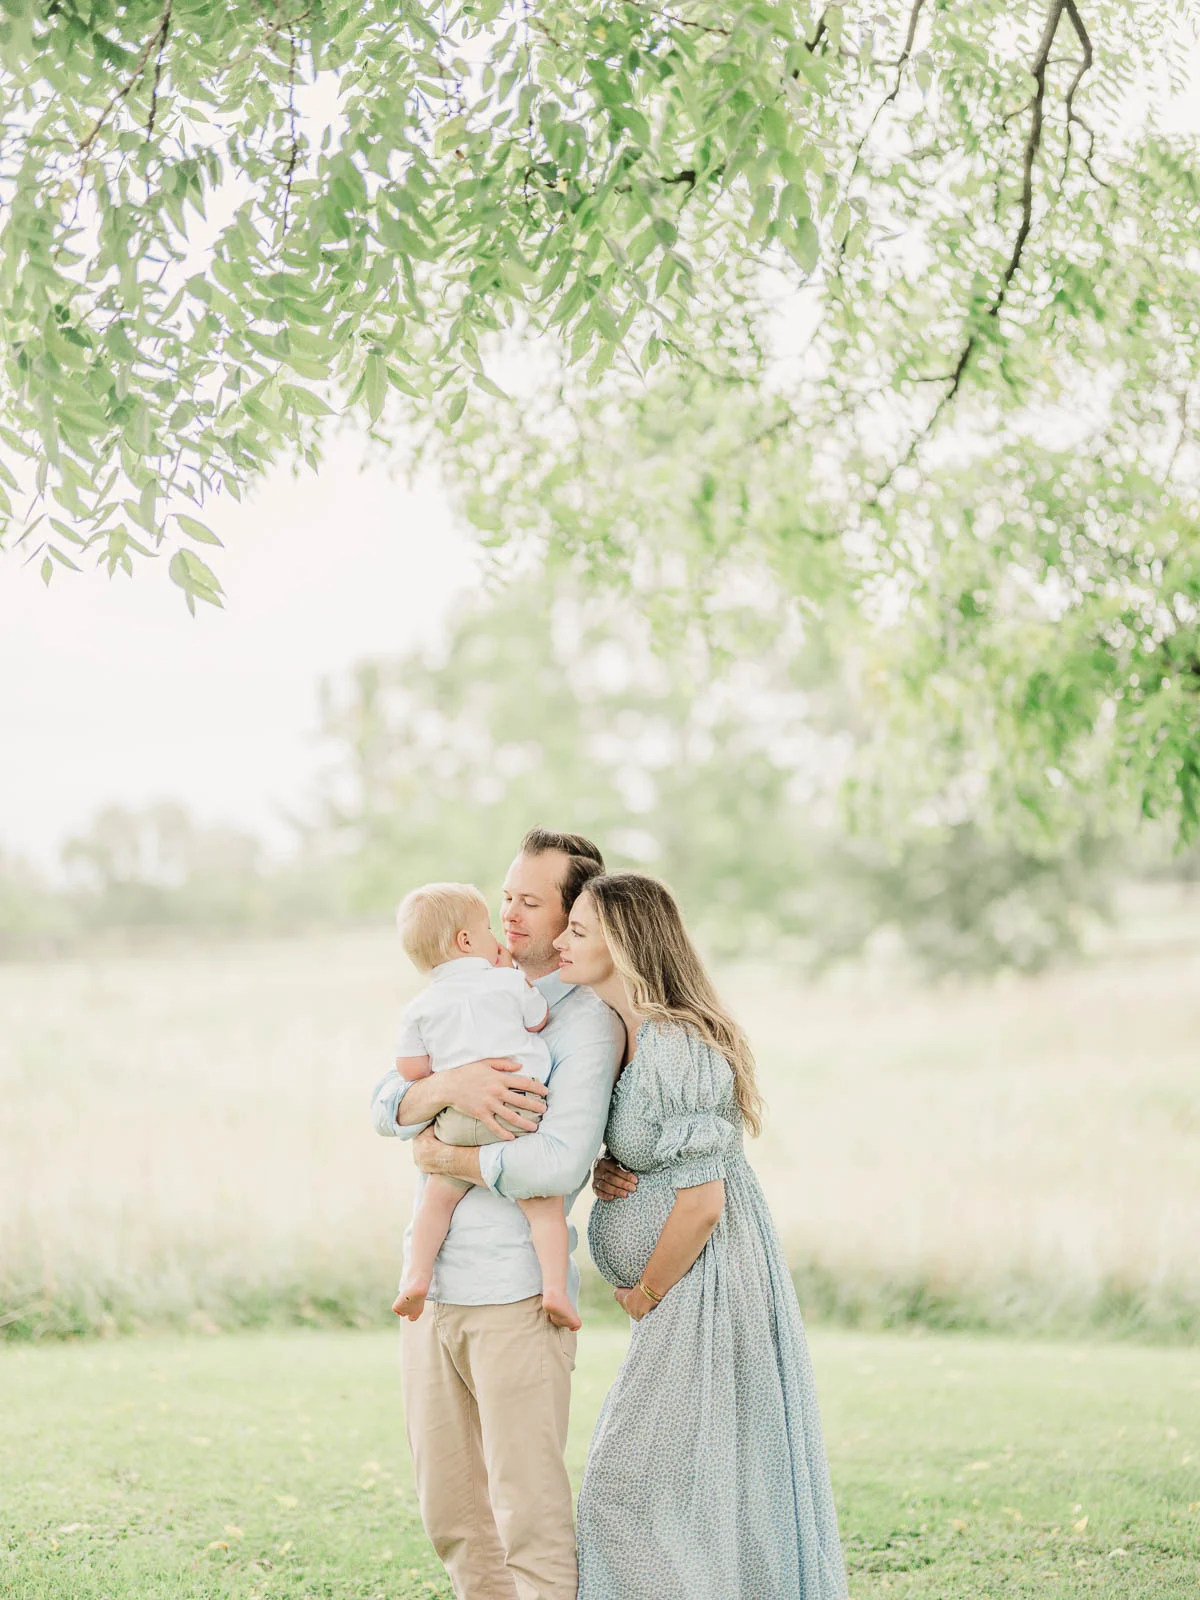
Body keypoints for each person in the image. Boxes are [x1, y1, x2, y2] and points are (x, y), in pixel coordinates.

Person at [555, 871, 850, 1600]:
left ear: (623, 946)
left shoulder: (675, 1045)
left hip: (701, 1286)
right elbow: (666, 1162)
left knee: (626, 1486)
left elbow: (704, 1205)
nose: (560, 941)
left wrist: (644, 1291)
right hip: (683, 1288)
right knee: (700, 1484)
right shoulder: (633, 1039)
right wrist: (613, 1171)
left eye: (578, 931)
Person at [370, 829, 624, 1600]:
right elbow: (387, 1105)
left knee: (528, 1516)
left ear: (575, 913)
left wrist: (448, 1155)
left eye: (530, 901)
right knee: (453, 1515)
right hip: (436, 1294)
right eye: (505, 895)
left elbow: (557, 1162)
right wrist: (449, 1090)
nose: (510, 912)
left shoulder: (585, 1022)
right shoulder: (460, 987)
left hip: (516, 1295)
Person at [390, 881, 579, 1332]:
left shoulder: (420, 1006)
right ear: (468, 941)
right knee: (543, 1206)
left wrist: (445, 1077)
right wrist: (508, 973)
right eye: (488, 928)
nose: (499, 934)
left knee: (437, 1200)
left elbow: (409, 1068)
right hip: (517, 1107)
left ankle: (417, 1276)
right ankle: (554, 1288)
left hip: (456, 1121)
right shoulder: (507, 981)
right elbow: (538, 1019)